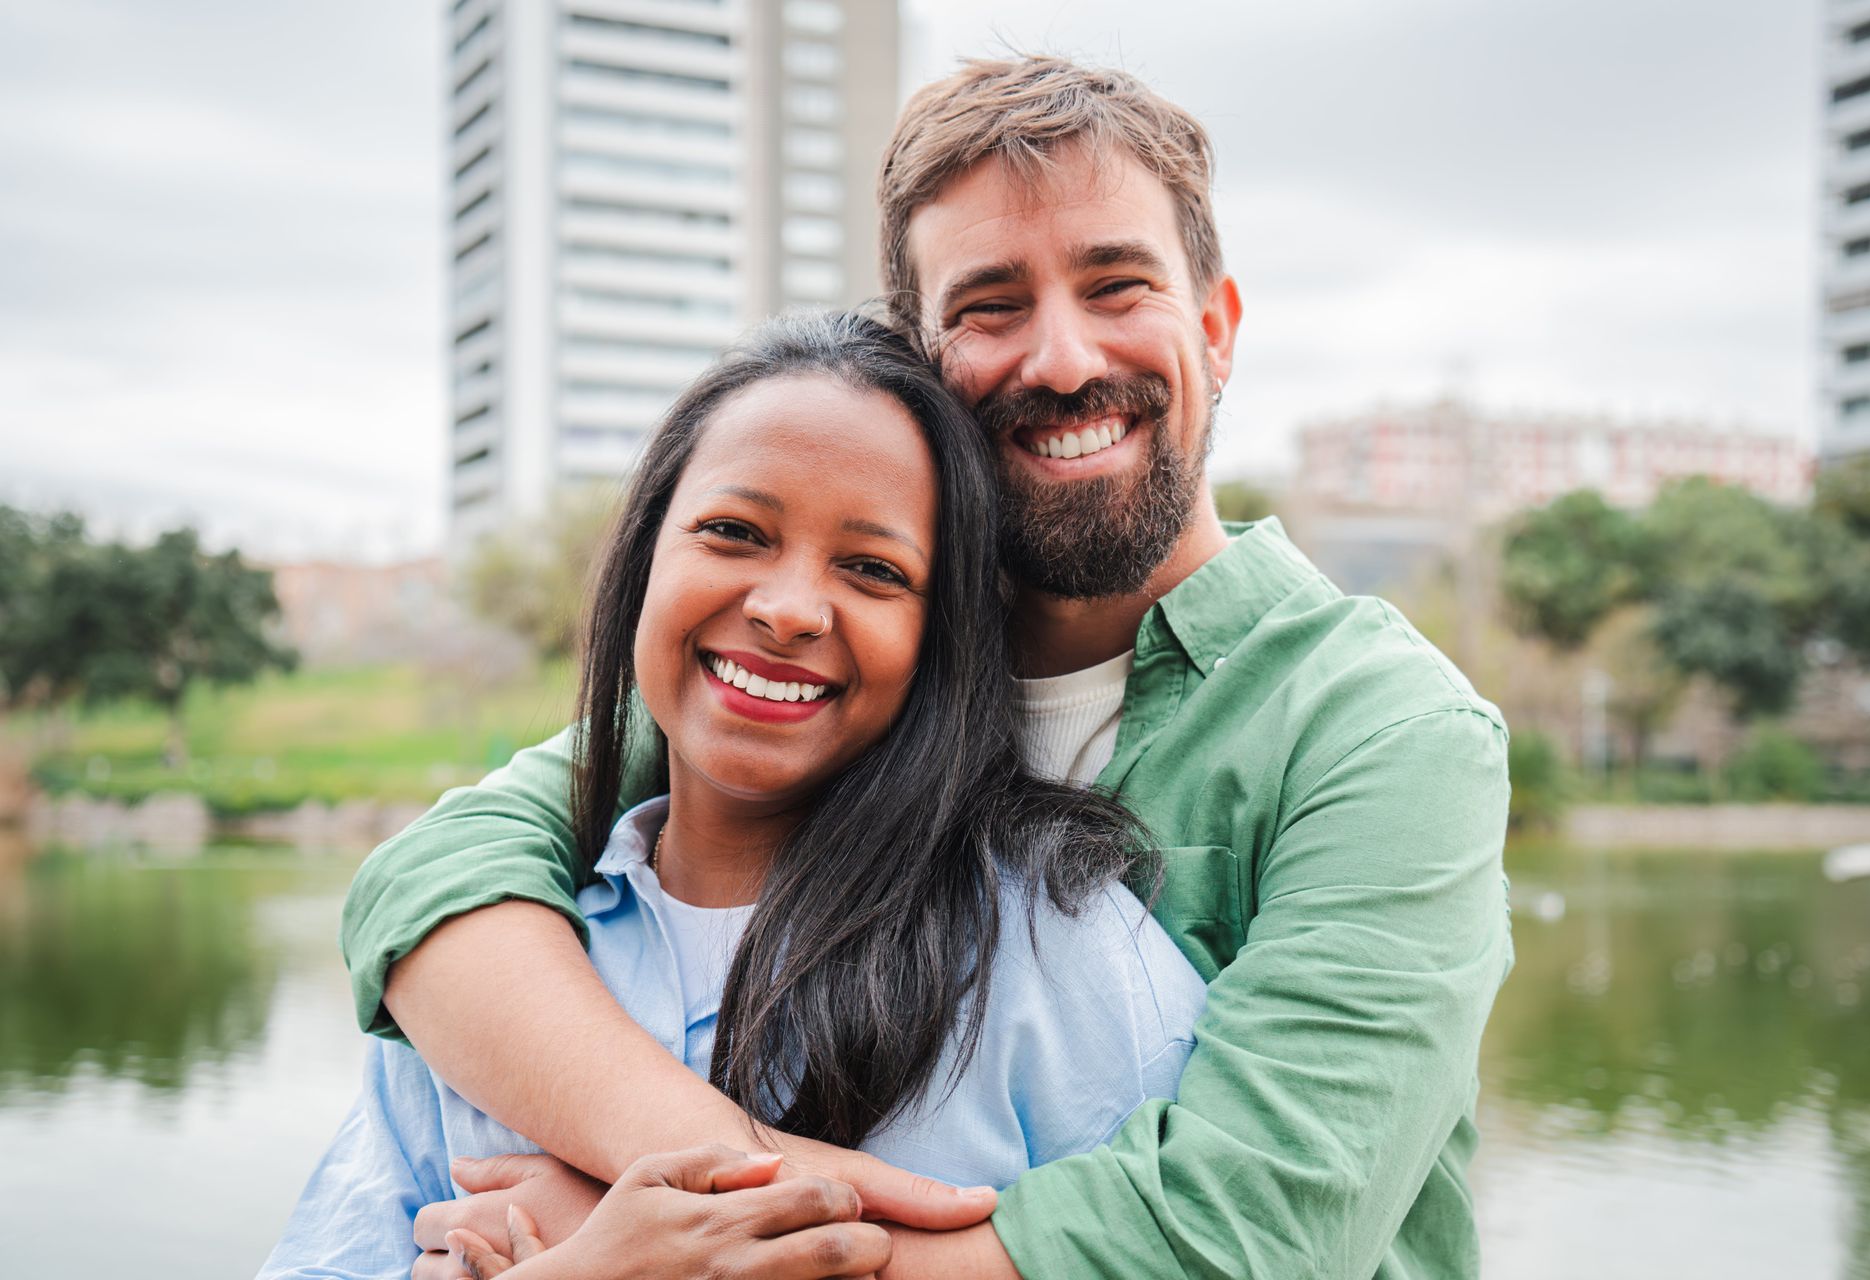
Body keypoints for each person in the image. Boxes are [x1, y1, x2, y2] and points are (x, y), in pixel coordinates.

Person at [344, 56, 1514, 1279]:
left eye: (1118, 285)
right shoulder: (849, 663)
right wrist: (710, 1173)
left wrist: (671, 1245)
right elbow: (436, 876)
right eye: (991, 305)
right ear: (923, 364)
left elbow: (1249, 1231)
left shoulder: (1383, 728)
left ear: (1216, 329)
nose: (1062, 359)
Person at [259, 313, 1207, 1278]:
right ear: (643, 563)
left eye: (874, 569)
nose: (788, 608)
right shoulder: (490, 967)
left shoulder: (1064, 955)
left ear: (942, 639)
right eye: (733, 532)